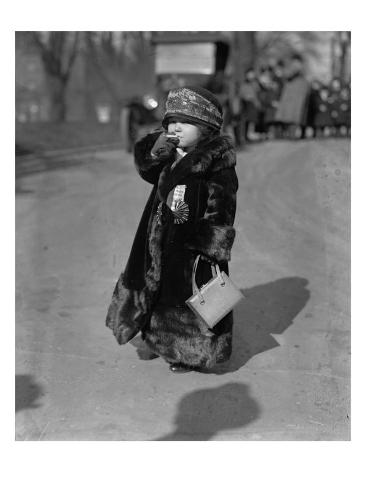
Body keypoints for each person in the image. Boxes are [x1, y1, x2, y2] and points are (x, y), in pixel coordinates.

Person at [106, 86, 239, 373]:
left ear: (205, 128)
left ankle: (189, 351)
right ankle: (154, 338)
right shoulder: (170, 152)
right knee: (155, 285)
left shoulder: (216, 163)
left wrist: (209, 246)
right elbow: (148, 171)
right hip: (156, 234)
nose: (175, 127)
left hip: (190, 246)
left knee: (187, 295)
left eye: (185, 122)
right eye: (171, 122)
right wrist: (154, 153)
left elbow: (223, 207)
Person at [274, 54, 310, 139]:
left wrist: (281, 69)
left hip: (294, 94)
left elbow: (287, 74)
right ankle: (291, 134)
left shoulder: (295, 66)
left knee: (291, 115)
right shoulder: (300, 67)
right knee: (292, 115)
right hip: (296, 93)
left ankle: (291, 134)